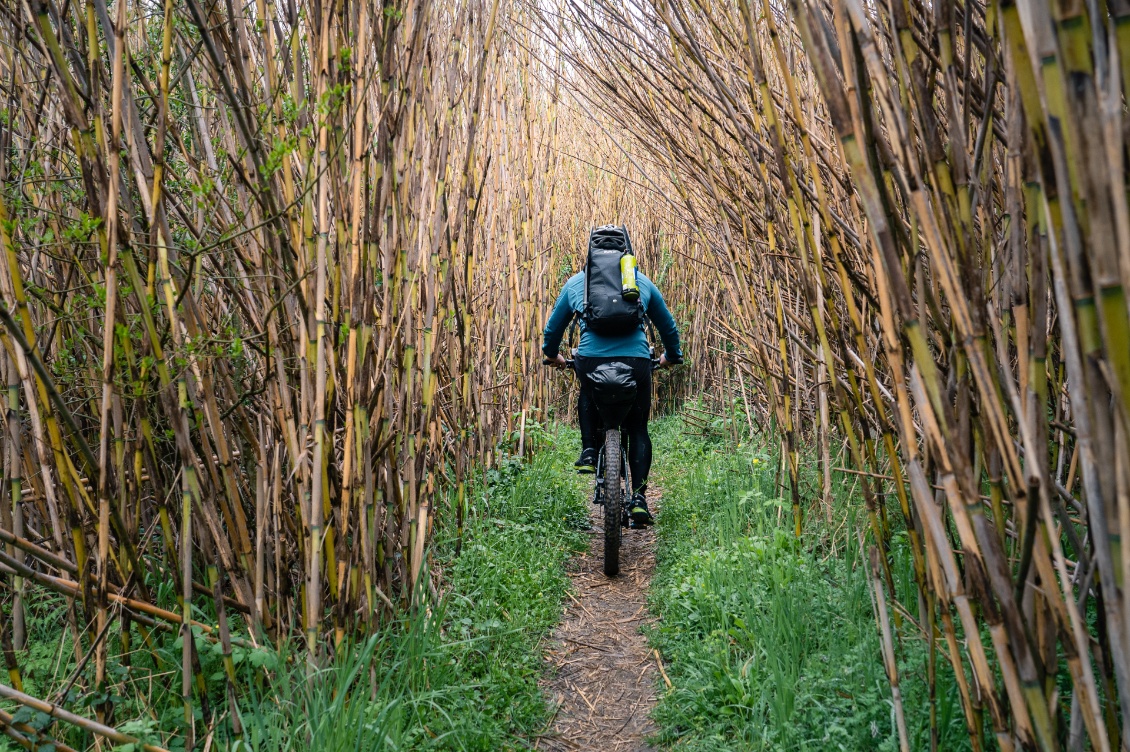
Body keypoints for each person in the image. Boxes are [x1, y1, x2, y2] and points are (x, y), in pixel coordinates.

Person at [542, 239, 683, 527]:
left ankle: (589, 450)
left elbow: (553, 329)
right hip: (637, 363)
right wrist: (672, 356)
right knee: (638, 427)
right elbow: (668, 326)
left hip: (591, 360)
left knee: (587, 386)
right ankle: (640, 500)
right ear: (626, 254)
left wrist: (552, 356)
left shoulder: (578, 284)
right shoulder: (640, 281)